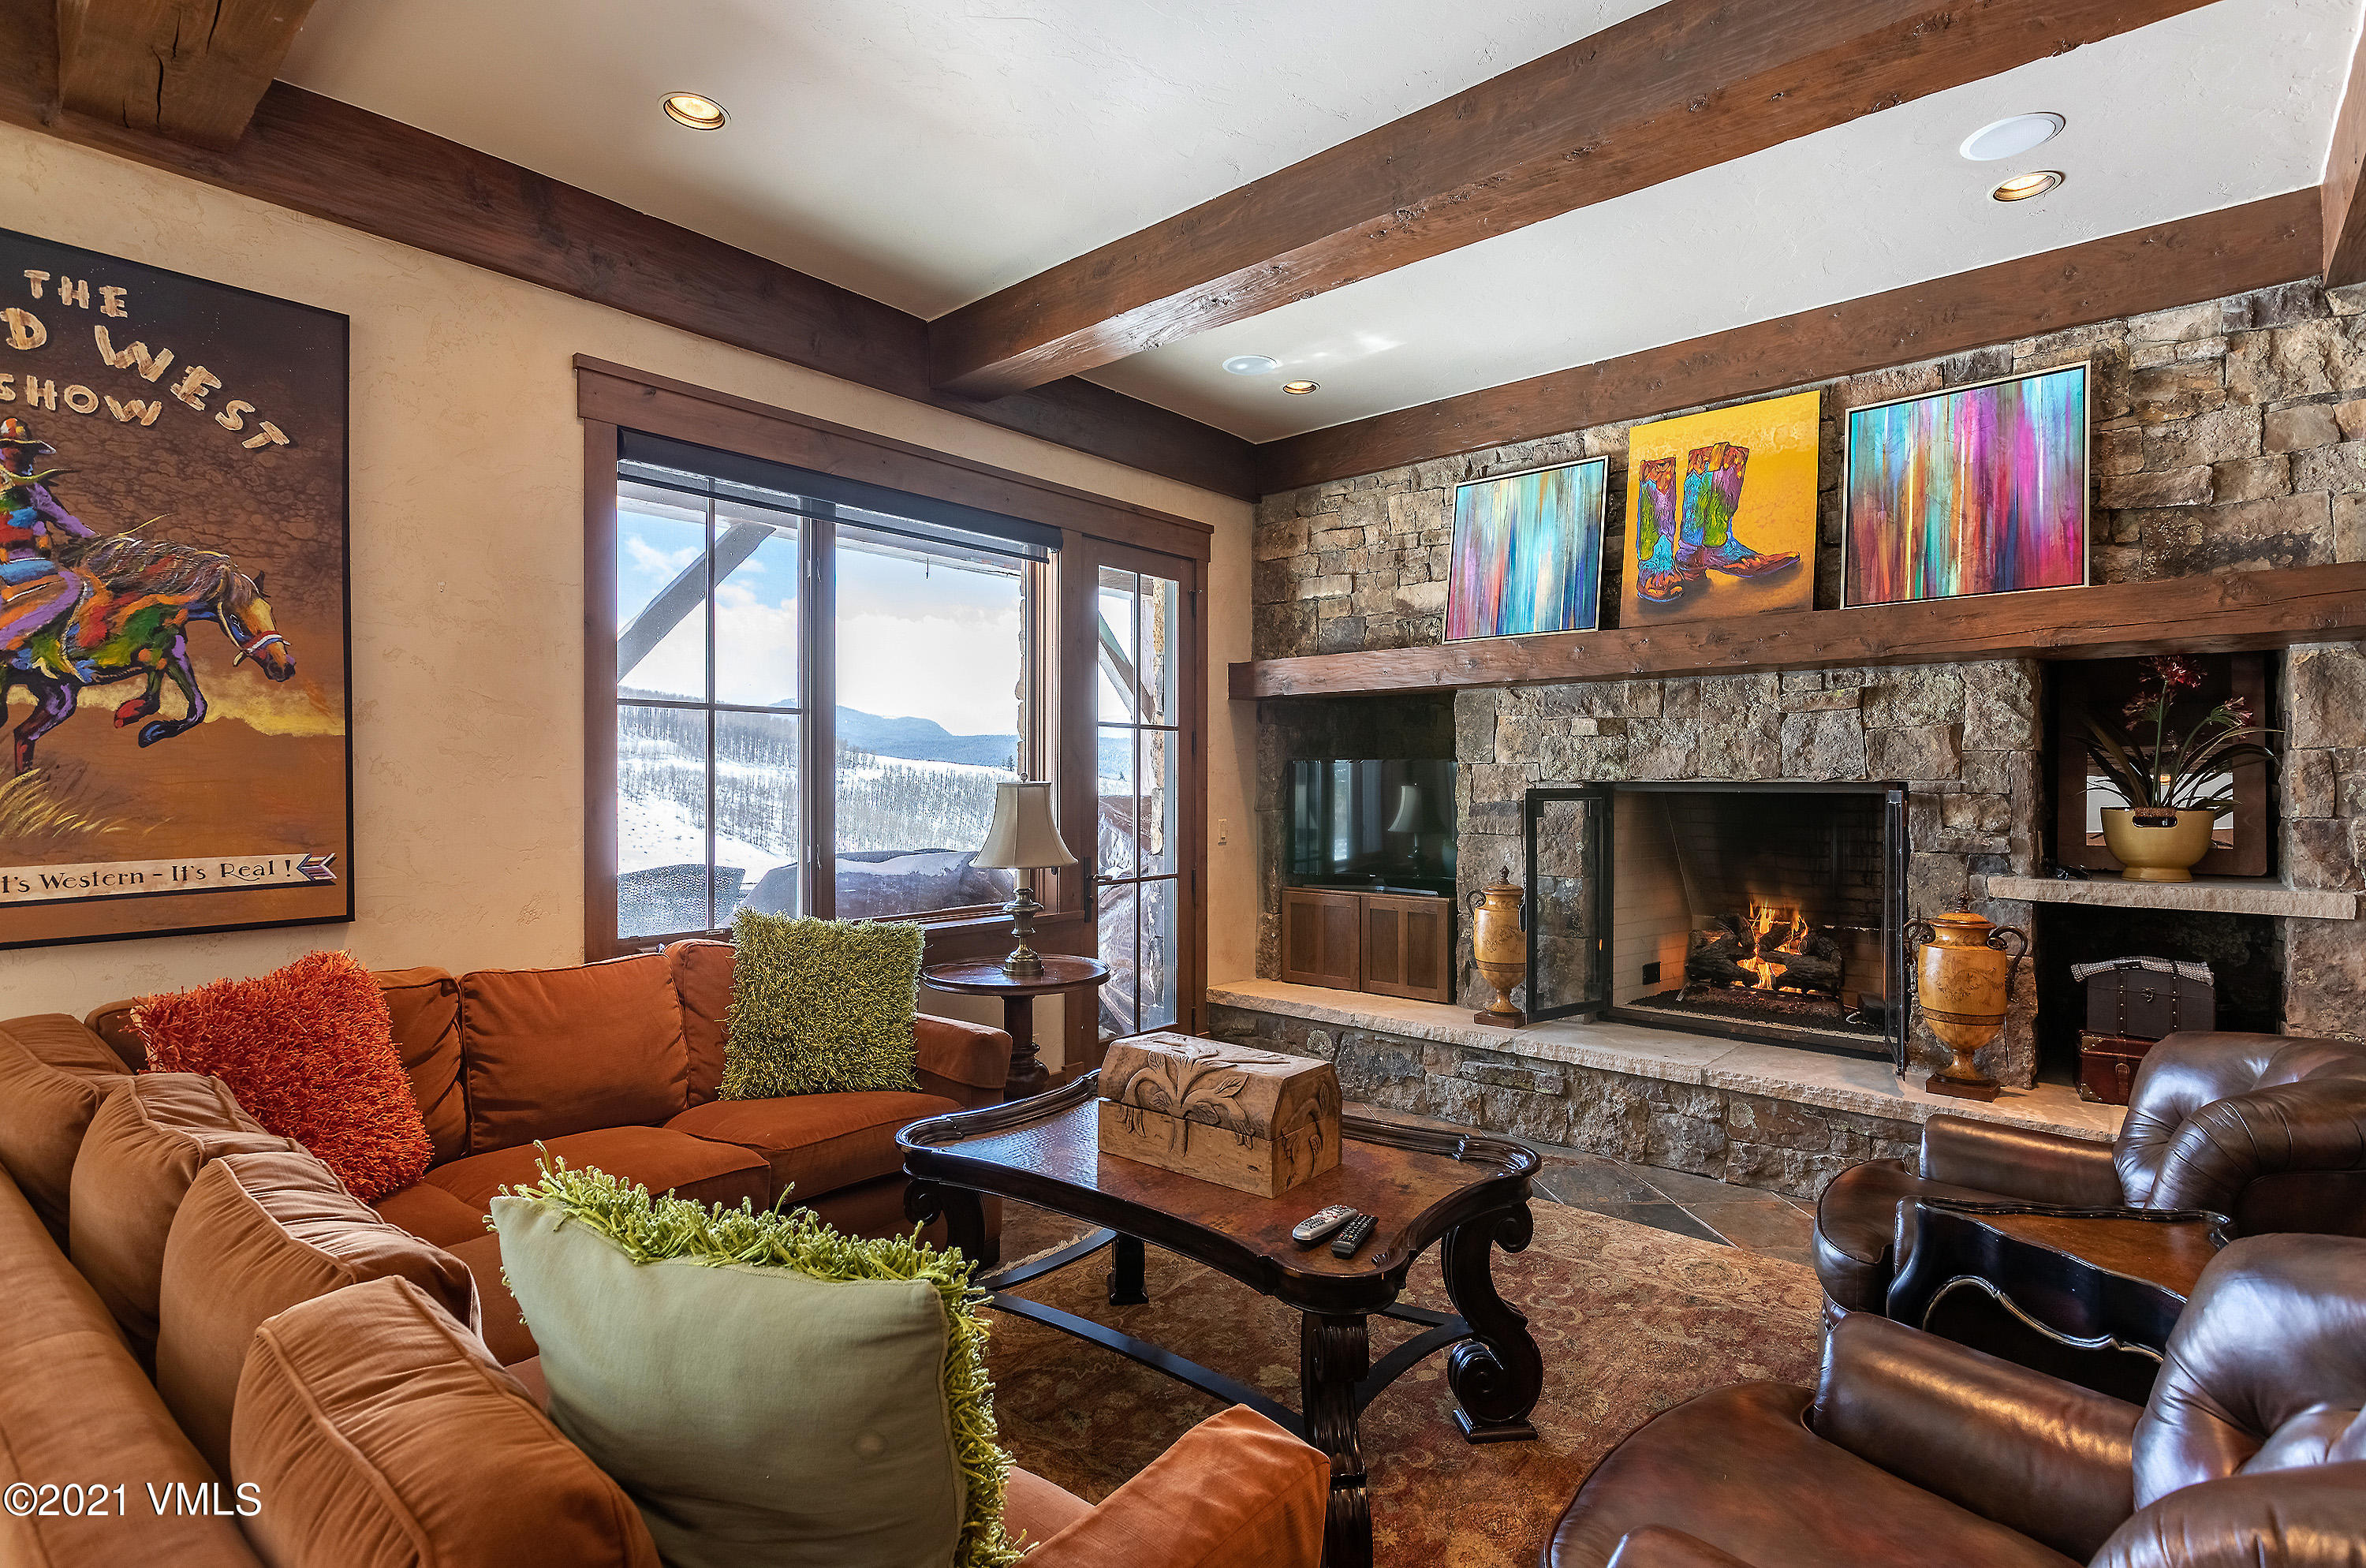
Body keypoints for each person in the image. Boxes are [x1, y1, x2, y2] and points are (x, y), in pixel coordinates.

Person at [0, 416, 95, 655]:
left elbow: (65, 520)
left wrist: (97, 538)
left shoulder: (35, 490)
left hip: (32, 564)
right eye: (11, 448)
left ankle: (24, 643)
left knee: (76, 585)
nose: (17, 453)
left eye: (24, 449)